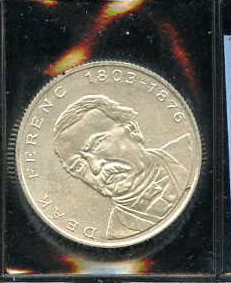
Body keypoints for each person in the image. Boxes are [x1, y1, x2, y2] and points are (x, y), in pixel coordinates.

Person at [52, 94, 189, 241]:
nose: (95, 168)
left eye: (96, 145)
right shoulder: (114, 237)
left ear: (133, 129)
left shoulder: (189, 149)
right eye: (78, 166)